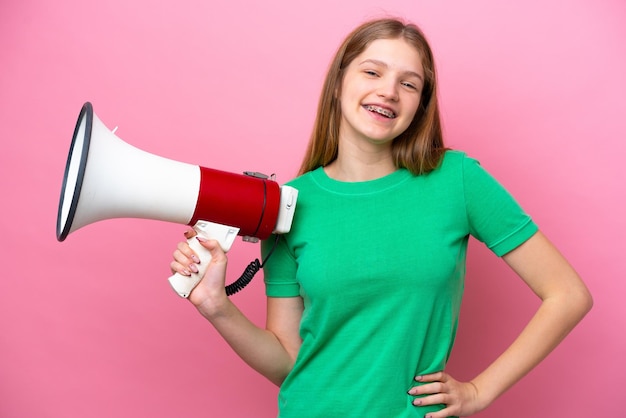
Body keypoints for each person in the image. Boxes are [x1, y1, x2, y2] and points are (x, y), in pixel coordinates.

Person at [170, 17, 593, 418]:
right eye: (372, 73)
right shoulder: (289, 203)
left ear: (419, 105)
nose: (389, 91)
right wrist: (216, 305)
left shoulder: (457, 180)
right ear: (339, 83)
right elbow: (289, 361)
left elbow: (567, 294)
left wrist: (480, 391)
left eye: (409, 84)